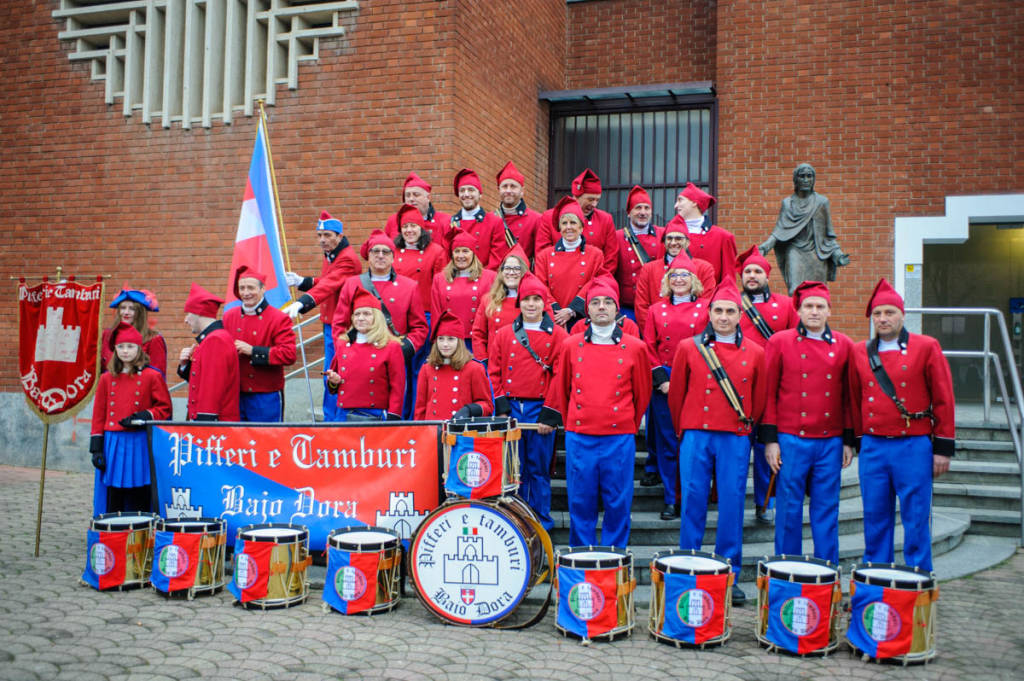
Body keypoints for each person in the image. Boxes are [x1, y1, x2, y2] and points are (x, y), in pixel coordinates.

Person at [668, 278, 764, 604]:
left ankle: (729, 571)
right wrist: (685, 428)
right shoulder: (688, 347)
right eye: (718, 310)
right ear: (709, 313)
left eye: (730, 311)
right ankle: (688, 564)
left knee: (732, 504)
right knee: (693, 500)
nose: (723, 317)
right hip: (696, 432)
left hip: (735, 436)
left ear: (740, 315)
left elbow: (759, 398)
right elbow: (676, 394)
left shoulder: (756, 353)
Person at [848, 278, 954, 571]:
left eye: (889, 313)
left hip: (913, 444)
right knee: (875, 516)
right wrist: (856, 440)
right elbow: (854, 399)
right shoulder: (860, 352)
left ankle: (918, 578)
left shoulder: (926, 347)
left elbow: (944, 398)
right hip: (873, 446)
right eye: (878, 314)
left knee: (916, 516)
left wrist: (943, 447)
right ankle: (878, 579)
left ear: (902, 315)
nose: (883, 319)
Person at [539, 278, 651, 548]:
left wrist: (626, 423)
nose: (602, 307)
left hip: (618, 435)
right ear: (587, 310)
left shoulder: (636, 347)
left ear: (617, 310)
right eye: (596, 303)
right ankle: (582, 554)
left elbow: (643, 393)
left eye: (608, 302)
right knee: (581, 499)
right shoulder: (570, 345)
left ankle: (615, 555)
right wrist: (573, 423)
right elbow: (562, 387)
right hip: (581, 435)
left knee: (617, 500)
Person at [761, 281, 855, 565]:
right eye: (808, 306)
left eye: (820, 307)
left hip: (830, 440)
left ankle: (827, 574)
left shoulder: (845, 345)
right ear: (798, 310)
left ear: (829, 310)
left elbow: (849, 396)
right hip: (791, 438)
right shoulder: (779, 342)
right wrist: (770, 440)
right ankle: (785, 570)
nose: (814, 312)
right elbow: (769, 392)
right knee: (788, 510)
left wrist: (849, 441)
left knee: (827, 510)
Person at [489, 275, 567, 530]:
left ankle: (541, 520)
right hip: (512, 408)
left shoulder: (558, 335)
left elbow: (560, 376)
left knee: (538, 467)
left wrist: (550, 414)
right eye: (526, 299)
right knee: (513, 468)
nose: (531, 304)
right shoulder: (503, 334)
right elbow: (494, 371)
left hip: (539, 408)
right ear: (519, 303)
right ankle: (515, 519)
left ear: (544, 303)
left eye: (536, 299)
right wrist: (501, 408)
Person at [333, 229, 428, 419]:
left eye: (386, 252)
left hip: (395, 355)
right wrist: (346, 352)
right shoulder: (352, 284)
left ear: (393, 257)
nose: (380, 256)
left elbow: (420, 327)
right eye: (375, 251)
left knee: (399, 402)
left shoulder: (409, 286)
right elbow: (339, 325)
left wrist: (403, 350)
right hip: (358, 360)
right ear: (368, 256)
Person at [735, 244, 799, 523]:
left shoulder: (785, 304)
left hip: (773, 387)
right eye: (748, 271)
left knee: (767, 448)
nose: (752, 275)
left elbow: (796, 342)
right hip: (738, 388)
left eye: (757, 271)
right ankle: (733, 502)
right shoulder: (732, 304)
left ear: (767, 275)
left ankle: (766, 502)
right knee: (737, 451)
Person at [642, 253, 709, 518]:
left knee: (693, 442)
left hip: (696, 377)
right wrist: (663, 380)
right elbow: (648, 346)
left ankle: (693, 497)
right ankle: (671, 497)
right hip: (665, 381)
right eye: (674, 275)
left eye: (684, 275)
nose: (679, 280)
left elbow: (708, 345)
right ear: (667, 281)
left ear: (693, 280)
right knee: (669, 441)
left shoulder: (705, 308)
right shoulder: (655, 310)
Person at [283, 210, 362, 421]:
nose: (322, 240)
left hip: (343, 326)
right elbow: (326, 281)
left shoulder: (347, 259)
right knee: (330, 373)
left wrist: (302, 302)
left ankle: (335, 419)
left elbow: (329, 284)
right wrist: (302, 281)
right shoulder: (332, 255)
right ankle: (331, 417)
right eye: (319, 236)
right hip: (330, 323)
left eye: (327, 235)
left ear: (339, 236)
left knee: (336, 373)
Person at [89, 322, 172, 514]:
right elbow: (98, 414)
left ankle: (140, 533)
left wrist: (145, 415)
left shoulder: (152, 376)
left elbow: (165, 408)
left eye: (130, 347)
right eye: (121, 347)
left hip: (139, 440)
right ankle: (113, 535)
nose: (125, 351)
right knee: (114, 492)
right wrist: (97, 448)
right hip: (113, 441)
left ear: (139, 349)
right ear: (115, 349)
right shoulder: (106, 378)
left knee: (140, 490)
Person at [759, 163, 850, 294]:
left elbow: (828, 235)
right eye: (802, 176)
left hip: (817, 254)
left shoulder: (821, 202)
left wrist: (838, 255)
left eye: (809, 176)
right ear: (796, 179)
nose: (806, 180)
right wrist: (765, 247)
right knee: (794, 291)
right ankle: (795, 315)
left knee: (817, 293)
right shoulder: (787, 203)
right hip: (795, 251)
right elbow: (780, 230)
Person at [223, 265, 297, 422]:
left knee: (267, 441)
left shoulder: (279, 318)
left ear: (263, 289)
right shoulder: (229, 316)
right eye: (242, 288)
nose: (245, 293)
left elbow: (289, 355)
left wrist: (253, 351)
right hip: (236, 394)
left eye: (251, 288)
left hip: (266, 396)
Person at [324, 289, 406, 421]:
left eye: (367, 314)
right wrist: (333, 382)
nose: (361, 318)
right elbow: (333, 387)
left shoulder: (391, 346)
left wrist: (393, 416)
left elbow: (398, 386)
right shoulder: (342, 343)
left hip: (375, 415)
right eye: (357, 314)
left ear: (377, 318)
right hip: (343, 415)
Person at [393, 203, 449, 377]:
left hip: (424, 317)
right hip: (397, 316)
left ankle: (417, 404)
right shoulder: (392, 252)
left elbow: (441, 289)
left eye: (413, 226)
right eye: (405, 226)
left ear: (422, 228)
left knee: (419, 366)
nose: (409, 230)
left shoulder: (436, 252)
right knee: (398, 368)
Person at [533, 196, 605, 329]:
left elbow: (594, 283)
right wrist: (557, 313)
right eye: (564, 223)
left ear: (582, 227)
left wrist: (571, 310)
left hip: (582, 318)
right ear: (559, 228)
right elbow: (540, 285)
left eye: (573, 222)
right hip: (553, 318)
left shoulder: (595, 255)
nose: (568, 227)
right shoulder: (545, 256)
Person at [633, 221, 716, 332]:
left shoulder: (705, 268)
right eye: (669, 238)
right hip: (659, 334)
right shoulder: (649, 269)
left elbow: (707, 305)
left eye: (678, 239)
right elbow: (641, 306)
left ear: (688, 242)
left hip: (693, 334)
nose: (673, 242)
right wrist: (652, 332)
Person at [535, 168, 618, 276]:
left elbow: (610, 259)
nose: (594, 204)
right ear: (576, 196)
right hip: (558, 279)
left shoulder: (605, 220)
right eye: (590, 199)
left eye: (597, 200)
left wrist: (597, 284)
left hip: (594, 285)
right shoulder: (549, 217)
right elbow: (542, 255)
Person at [414, 310, 494, 420]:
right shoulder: (427, 368)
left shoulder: (474, 368)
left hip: (460, 432)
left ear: (459, 341)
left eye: (451, 339)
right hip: (432, 431)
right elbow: (420, 409)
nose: (445, 344)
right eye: (441, 339)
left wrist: (469, 410)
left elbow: (487, 406)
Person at [178, 283, 240, 421]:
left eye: (188, 314)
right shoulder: (211, 339)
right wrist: (184, 365)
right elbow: (200, 379)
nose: (186, 320)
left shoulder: (215, 340)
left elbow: (211, 389)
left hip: (214, 428)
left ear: (198, 313)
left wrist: (204, 423)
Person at [429, 231, 496, 354]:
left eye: (465, 251)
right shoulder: (440, 279)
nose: (460, 255)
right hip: (450, 342)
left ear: (473, 253)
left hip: (478, 340)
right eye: (457, 251)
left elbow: (492, 313)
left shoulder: (490, 277)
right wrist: (437, 343)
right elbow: (436, 313)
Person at [664, 182, 736, 285]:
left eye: (680, 200)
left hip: (709, 298)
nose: (676, 206)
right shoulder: (667, 233)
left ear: (694, 202)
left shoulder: (723, 237)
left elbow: (728, 281)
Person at [471, 244, 532, 362]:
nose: (511, 272)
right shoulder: (488, 300)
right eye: (507, 268)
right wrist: (484, 360)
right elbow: (478, 334)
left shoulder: (536, 300)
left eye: (517, 269)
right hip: (496, 362)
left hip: (524, 362)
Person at [614, 185, 665, 323]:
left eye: (646, 208)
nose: (643, 212)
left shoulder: (663, 234)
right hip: (627, 308)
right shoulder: (616, 237)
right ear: (629, 213)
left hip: (656, 307)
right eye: (638, 208)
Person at [101, 287, 167, 377]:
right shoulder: (108, 335)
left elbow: (158, 376)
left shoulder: (153, 339)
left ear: (140, 312)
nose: (126, 312)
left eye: (132, 309)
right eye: (123, 308)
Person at [488, 161, 541, 267]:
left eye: (513, 186)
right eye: (504, 186)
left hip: (523, 277)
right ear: (498, 190)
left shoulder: (536, 219)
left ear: (522, 191)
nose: (508, 190)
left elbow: (539, 257)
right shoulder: (489, 218)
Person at [446, 168, 500, 267]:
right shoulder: (450, 223)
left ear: (480, 194)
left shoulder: (494, 222)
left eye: (471, 190)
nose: (466, 194)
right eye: (462, 190)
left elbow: (496, 261)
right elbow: (447, 258)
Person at [383, 172, 453, 240]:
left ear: (428, 198)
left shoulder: (445, 221)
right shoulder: (393, 221)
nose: (411, 199)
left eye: (416, 195)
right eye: (407, 195)